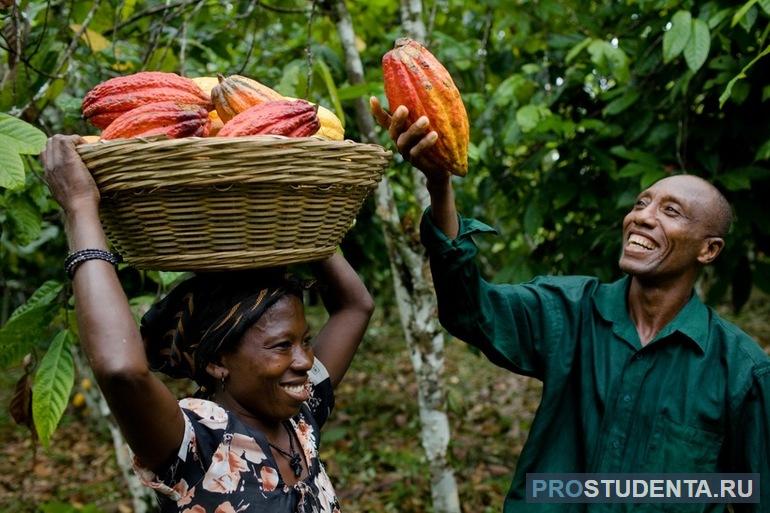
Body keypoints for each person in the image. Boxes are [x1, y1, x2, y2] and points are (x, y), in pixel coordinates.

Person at [371, 99, 770, 512]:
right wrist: (440, 183)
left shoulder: (740, 371)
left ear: (708, 250)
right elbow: (471, 309)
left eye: (670, 212)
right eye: (640, 203)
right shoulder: (572, 310)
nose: (642, 218)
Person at [41, 134, 375, 513]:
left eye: (305, 341)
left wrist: (302, 210)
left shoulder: (299, 416)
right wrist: (81, 206)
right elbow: (121, 370)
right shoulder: (198, 440)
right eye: (282, 346)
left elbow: (355, 306)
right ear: (217, 360)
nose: (304, 361)